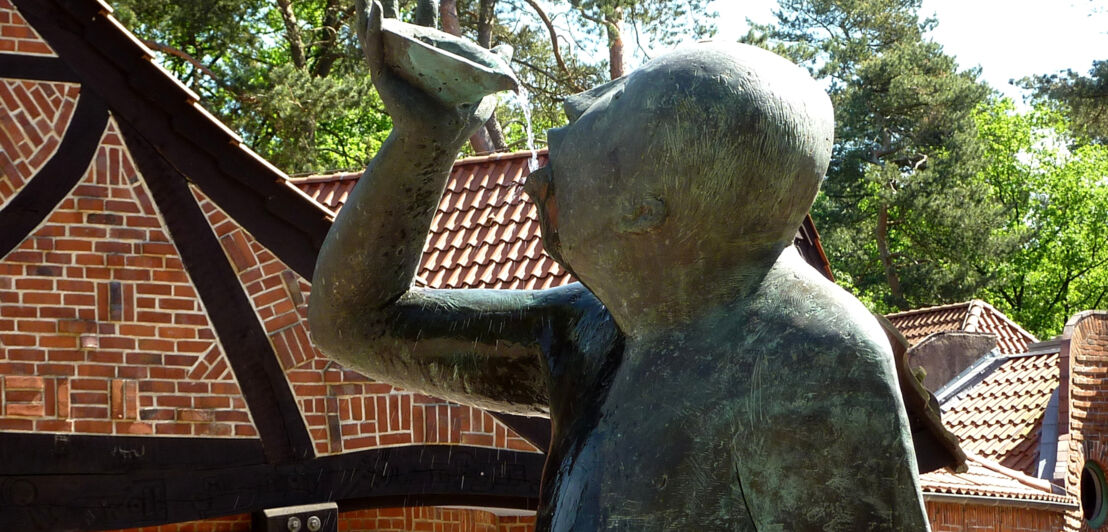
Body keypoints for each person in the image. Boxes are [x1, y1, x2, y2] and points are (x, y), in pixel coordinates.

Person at [309, 2, 931, 529]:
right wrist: (424, 136)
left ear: (644, 206)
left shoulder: (810, 359)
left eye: (607, 101)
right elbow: (357, 321)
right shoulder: (601, 327)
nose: (571, 108)